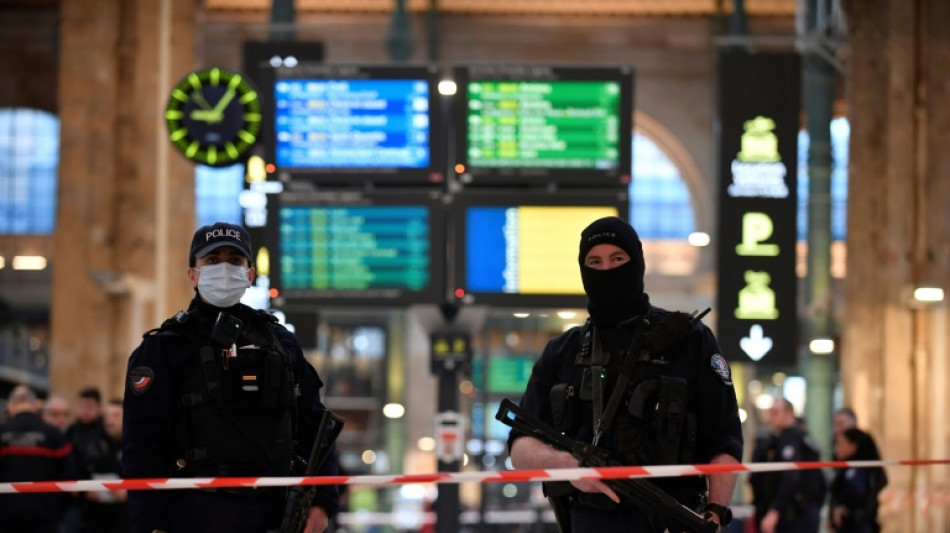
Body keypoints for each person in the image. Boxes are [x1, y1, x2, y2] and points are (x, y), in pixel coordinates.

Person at [507, 216, 742, 532]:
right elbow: (520, 447)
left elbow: (724, 440)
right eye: (595, 261)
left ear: (638, 263)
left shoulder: (689, 340)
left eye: (618, 258)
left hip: (675, 520)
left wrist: (715, 512)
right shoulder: (563, 351)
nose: (606, 270)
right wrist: (570, 466)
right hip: (587, 520)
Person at [122, 221, 339, 533]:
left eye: (235, 260)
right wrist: (150, 523)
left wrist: (322, 502)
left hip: (276, 515)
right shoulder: (164, 348)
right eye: (212, 260)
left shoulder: (281, 341)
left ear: (250, 274)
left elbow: (316, 425)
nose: (224, 267)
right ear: (192, 274)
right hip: (193, 516)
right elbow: (141, 446)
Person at [0, 385, 73, 533]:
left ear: (11, 405)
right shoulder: (53, 435)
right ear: (34, 405)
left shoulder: (2, 432)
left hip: (6, 516)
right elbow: (70, 476)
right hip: (45, 516)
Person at [749, 399, 823, 533]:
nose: (771, 416)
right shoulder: (797, 437)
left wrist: (774, 512)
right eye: (770, 412)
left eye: (775, 412)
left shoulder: (791, 437)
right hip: (800, 511)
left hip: (793, 515)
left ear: (789, 414)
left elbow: (791, 477)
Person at [80, 399, 130, 533]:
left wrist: (130, 493)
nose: (110, 421)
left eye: (116, 415)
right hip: (95, 517)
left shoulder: (136, 445)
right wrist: (84, 490)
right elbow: (78, 471)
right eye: (107, 416)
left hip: (126, 517)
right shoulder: (92, 443)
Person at [829, 428, 887, 533]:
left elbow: (857, 492)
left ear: (852, 446)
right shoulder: (847, 469)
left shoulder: (856, 470)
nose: (837, 448)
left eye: (841, 443)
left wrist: (843, 508)